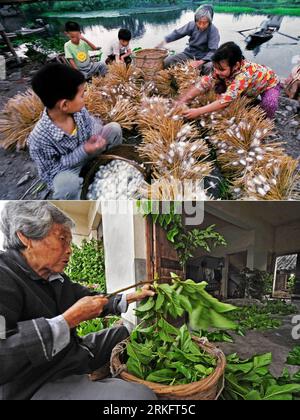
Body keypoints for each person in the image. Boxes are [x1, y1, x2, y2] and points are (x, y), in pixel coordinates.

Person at [0, 201, 157, 401]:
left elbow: (91, 299)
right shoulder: (4, 276)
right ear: (26, 237)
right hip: (39, 381)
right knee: (141, 397)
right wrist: (68, 320)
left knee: (124, 332)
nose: (69, 249)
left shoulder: (56, 278)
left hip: (71, 353)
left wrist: (134, 296)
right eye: (62, 239)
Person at [28, 63, 123, 200]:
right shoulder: (39, 139)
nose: (84, 99)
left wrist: (96, 136)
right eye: (82, 95)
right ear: (65, 105)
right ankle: (82, 199)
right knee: (66, 186)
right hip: (70, 168)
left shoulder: (78, 111)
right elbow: (51, 172)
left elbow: (91, 123)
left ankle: (107, 165)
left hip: (90, 152)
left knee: (114, 129)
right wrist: (83, 151)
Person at [180, 42, 280, 120]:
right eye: (215, 67)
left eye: (221, 69)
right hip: (249, 85)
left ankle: (266, 119)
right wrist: (183, 100)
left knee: (269, 104)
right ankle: (249, 97)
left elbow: (225, 101)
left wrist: (198, 111)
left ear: (236, 65)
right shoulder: (222, 69)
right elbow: (203, 84)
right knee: (218, 87)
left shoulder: (244, 76)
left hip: (269, 84)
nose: (217, 72)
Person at [157, 4, 220, 74]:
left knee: (209, 67)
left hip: (205, 58)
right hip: (189, 54)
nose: (201, 26)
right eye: (199, 22)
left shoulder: (213, 31)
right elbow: (178, 33)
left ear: (209, 22)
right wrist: (164, 41)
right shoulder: (192, 25)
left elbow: (213, 51)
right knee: (168, 61)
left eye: (205, 23)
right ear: (195, 20)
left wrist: (200, 62)